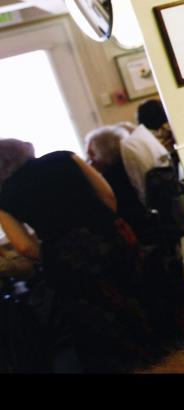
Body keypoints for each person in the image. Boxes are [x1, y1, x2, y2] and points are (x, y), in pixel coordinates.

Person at [0, 138, 160, 371]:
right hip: (112, 237)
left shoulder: (4, 197)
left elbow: (24, 247)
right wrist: (104, 226)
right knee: (141, 294)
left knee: (102, 323)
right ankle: (166, 349)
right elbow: (108, 197)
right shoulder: (65, 157)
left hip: (69, 262)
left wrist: (56, 254)